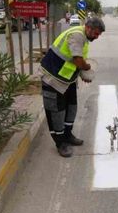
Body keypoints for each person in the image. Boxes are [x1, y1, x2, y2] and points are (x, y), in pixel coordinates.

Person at [40, 17, 105, 157]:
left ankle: (68, 135)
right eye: (96, 33)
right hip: (53, 78)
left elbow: (75, 60)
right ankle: (60, 142)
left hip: (67, 79)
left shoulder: (84, 38)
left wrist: (81, 73)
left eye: (99, 34)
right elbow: (77, 60)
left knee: (71, 107)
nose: (97, 37)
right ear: (88, 28)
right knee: (57, 111)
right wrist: (86, 68)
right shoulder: (77, 35)